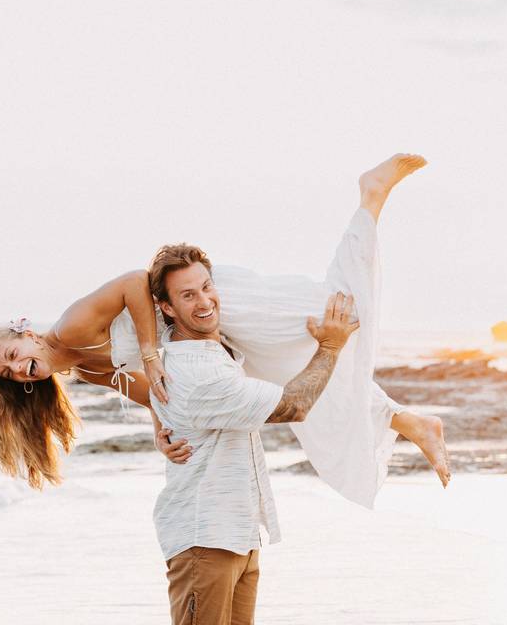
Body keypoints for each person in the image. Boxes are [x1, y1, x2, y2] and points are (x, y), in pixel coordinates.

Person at [0, 153, 450, 501]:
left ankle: (371, 194)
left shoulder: (70, 329)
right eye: (11, 375)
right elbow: (154, 392)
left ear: (26, 334)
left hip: (202, 304)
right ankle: (410, 421)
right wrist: (161, 430)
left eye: (12, 355)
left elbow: (134, 283)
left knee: (336, 312)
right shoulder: (83, 370)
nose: (19, 368)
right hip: (203, 338)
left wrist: (152, 351)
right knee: (299, 366)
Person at [149, 243, 358, 623]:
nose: (204, 301)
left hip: (236, 533)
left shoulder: (215, 350)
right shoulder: (196, 373)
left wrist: (157, 422)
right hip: (204, 536)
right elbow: (294, 405)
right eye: (187, 295)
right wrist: (330, 345)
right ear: (166, 308)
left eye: (207, 287)